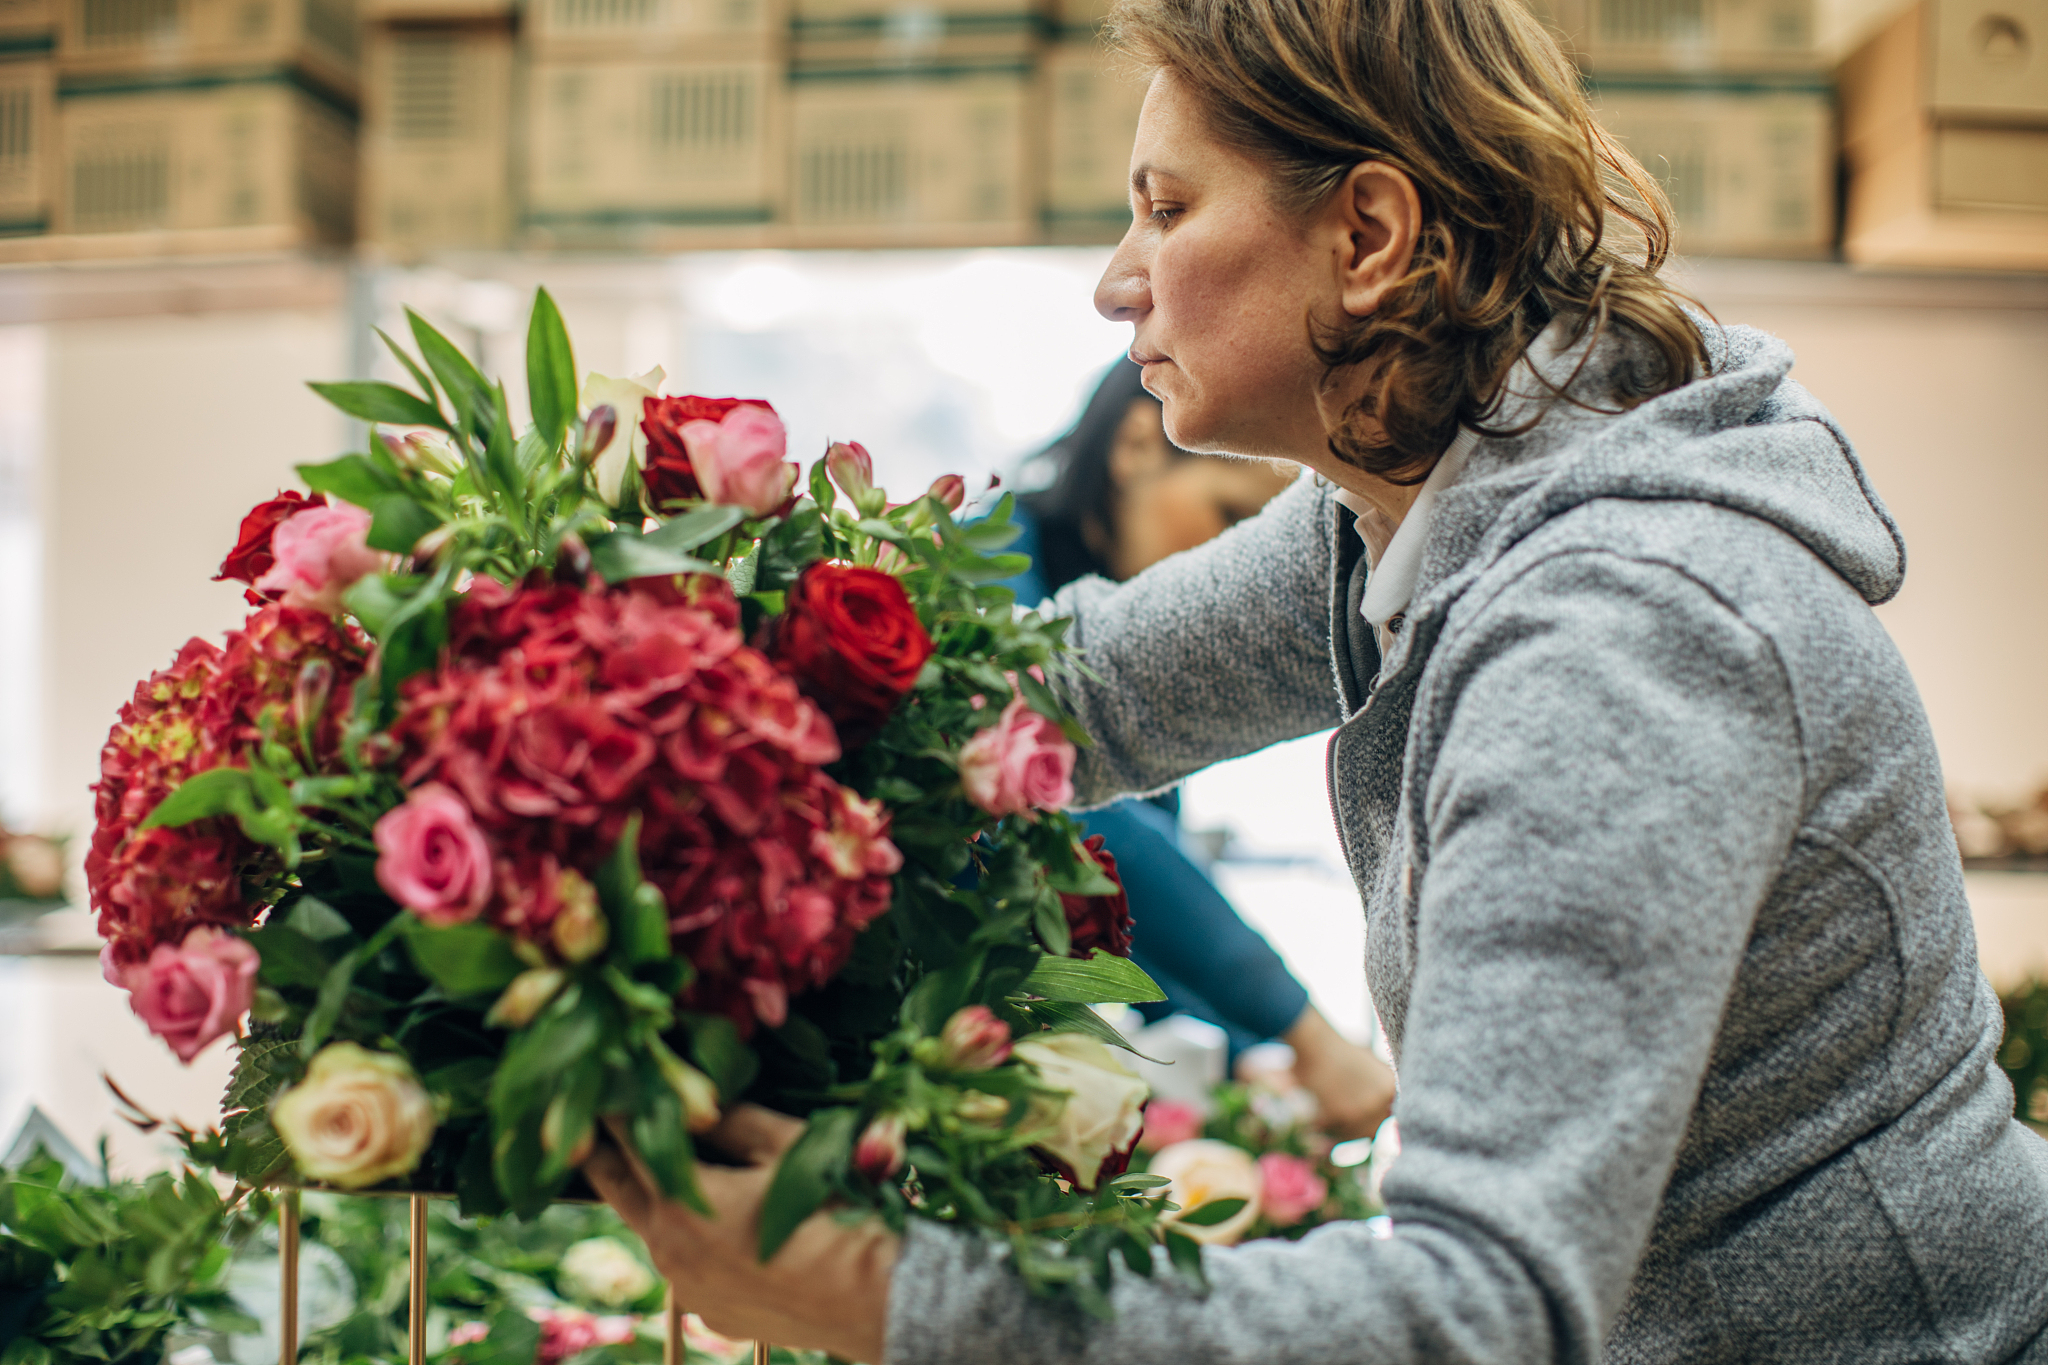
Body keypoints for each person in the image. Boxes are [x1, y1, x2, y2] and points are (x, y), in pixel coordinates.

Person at [586, 0, 2048, 1357]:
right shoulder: (1411, 503)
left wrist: (887, 1291)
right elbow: (1065, 695)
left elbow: (1478, 1315)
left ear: (1368, 236)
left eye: (1166, 209)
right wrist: (599, 724)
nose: (1116, 281)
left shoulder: (1622, 638)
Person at [1006, 358, 1392, 1137]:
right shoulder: (984, 571)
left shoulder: (1122, 635)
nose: (1235, 572)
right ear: (1140, 443)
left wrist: (1251, 1058)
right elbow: (1086, 833)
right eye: (1228, 519)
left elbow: (1126, 924)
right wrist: (1302, 1032)